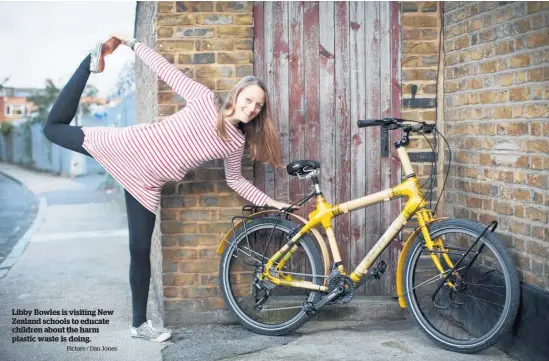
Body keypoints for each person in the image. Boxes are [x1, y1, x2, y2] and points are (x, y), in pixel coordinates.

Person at [43, 35, 295, 343]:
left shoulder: (236, 143)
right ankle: (88, 64)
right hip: (127, 148)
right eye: (248, 100)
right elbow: (165, 70)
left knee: (139, 249)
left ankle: (139, 325)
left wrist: (272, 202)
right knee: (52, 130)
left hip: (147, 184)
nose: (253, 108)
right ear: (236, 95)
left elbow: (236, 180)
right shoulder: (204, 100)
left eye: (258, 105)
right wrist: (131, 43)